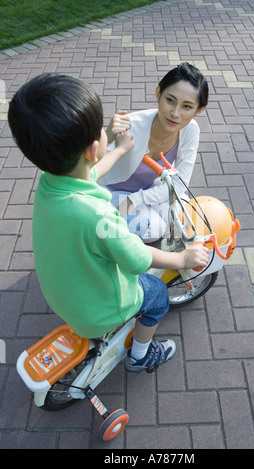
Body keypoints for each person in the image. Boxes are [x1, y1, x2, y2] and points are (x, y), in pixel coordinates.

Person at [8, 73, 209, 373]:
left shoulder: (52, 182)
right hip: (99, 309)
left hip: (58, 292)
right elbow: (138, 258)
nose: (107, 132)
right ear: (92, 149)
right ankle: (140, 357)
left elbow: (90, 172)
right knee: (156, 296)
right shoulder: (100, 216)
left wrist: (118, 149)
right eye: (100, 131)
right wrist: (182, 257)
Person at [103, 62, 208, 243]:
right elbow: (90, 168)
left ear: (199, 110)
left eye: (187, 106)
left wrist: (136, 200)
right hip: (113, 192)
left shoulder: (190, 130)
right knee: (155, 227)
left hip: (144, 191)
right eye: (170, 100)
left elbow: (179, 184)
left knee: (185, 210)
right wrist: (108, 136)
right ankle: (106, 232)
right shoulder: (131, 126)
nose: (175, 113)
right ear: (158, 93)